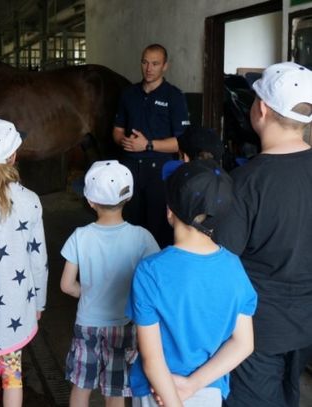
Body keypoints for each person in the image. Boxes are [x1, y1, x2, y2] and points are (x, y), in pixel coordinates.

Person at [216, 62, 312, 407]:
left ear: (262, 108)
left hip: (256, 329)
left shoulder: (245, 183)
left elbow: (222, 261)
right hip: (305, 323)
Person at [128, 159, 257, 407]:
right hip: (207, 388)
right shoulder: (234, 267)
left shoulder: (150, 271)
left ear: (169, 211)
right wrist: (193, 384)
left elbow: (153, 359)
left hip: (159, 392)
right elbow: (243, 343)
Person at [60, 160, 160, 407]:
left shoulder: (79, 236)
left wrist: (86, 292)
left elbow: (66, 285)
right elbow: (153, 282)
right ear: (128, 198)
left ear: (91, 202)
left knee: (81, 386)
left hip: (87, 324)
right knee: (115, 391)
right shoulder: (142, 237)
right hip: (123, 325)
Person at [0, 118, 48, 407]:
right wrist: (39, 303)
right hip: (17, 303)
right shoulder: (30, 201)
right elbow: (38, 260)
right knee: (13, 373)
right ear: (14, 156)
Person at [113, 43, 190, 248]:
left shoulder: (175, 97)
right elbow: (117, 130)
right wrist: (125, 142)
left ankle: (154, 274)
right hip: (129, 168)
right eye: (145, 62)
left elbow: (181, 143)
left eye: (155, 63)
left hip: (159, 172)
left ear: (165, 66)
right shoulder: (128, 94)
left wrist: (146, 145)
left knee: (158, 228)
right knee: (129, 225)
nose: (149, 68)